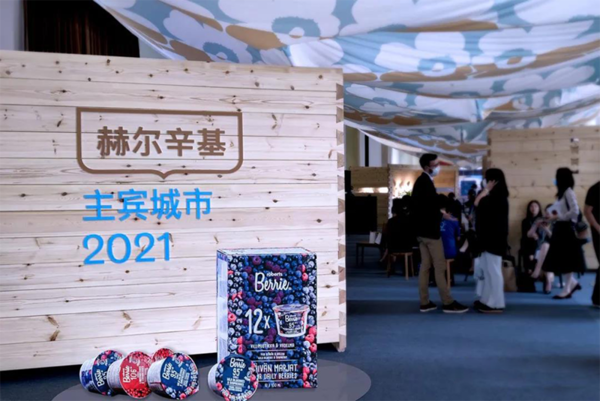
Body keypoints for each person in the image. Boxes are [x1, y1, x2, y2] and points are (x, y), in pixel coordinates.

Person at [412, 153, 468, 313]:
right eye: (435, 165)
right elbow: (428, 207)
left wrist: (441, 213)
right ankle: (448, 302)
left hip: (422, 232)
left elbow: (425, 205)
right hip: (430, 232)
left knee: (425, 267)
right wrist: (442, 215)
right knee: (440, 266)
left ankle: (424, 302)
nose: (438, 167)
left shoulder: (422, 181)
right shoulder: (425, 182)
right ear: (426, 167)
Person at [542, 168, 586, 299]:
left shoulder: (568, 192)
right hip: (560, 229)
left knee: (565, 260)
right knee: (561, 260)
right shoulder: (563, 193)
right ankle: (572, 284)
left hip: (565, 230)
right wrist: (552, 216)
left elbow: (575, 211)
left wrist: (558, 217)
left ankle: (567, 288)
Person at [473, 168, 509, 313]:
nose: (485, 182)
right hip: (489, 239)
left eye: (487, 179)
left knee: (493, 271)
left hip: (494, 240)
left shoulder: (496, 198)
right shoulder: (497, 197)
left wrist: (485, 190)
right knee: (488, 271)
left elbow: (477, 203)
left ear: (493, 181)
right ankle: (486, 299)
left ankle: (496, 303)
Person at [382, 196, 417, 277]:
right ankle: (410, 270)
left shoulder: (391, 222)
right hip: (406, 247)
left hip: (393, 247)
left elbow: (388, 235)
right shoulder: (409, 220)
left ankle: (389, 265)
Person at [529, 205, 555, 294]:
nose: (547, 214)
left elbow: (555, 239)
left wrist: (546, 229)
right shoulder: (540, 220)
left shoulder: (557, 222)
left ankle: (537, 271)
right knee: (544, 247)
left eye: (549, 212)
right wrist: (535, 226)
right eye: (546, 212)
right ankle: (548, 283)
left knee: (546, 246)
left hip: (554, 250)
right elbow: (529, 234)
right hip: (539, 250)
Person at [584, 182, 600, 307]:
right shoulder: (595, 189)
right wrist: (598, 227)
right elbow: (587, 211)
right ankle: (597, 298)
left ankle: (597, 298)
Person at [521, 200, 543, 271]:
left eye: (536, 206)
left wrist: (536, 236)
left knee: (535, 240)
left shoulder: (543, 220)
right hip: (528, 242)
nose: (533, 208)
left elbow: (543, 234)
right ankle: (530, 265)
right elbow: (524, 234)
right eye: (531, 206)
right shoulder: (525, 221)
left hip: (539, 242)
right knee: (526, 241)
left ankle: (531, 266)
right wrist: (531, 235)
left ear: (539, 208)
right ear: (529, 208)